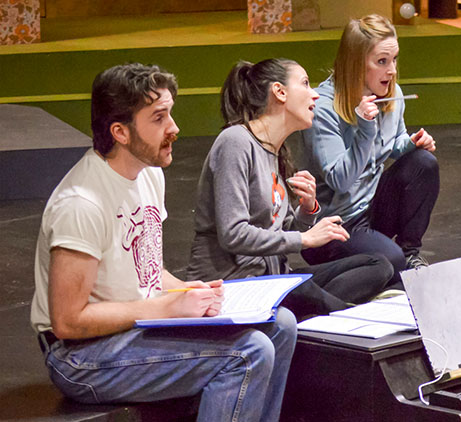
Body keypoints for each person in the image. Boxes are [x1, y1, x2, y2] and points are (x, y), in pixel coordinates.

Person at [31, 63, 296, 422]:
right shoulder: (82, 204)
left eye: (169, 113)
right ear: (120, 132)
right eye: (158, 118)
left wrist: (187, 290)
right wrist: (165, 309)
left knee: (281, 325)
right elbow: (68, 321)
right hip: (79, 358)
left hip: (133, 328)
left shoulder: (149, 174)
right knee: (247, 353)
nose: (174, 128)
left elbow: (147, 272)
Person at [186, 59, 393, 318]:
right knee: (308, 293)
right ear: (279, 92)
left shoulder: (276, 151)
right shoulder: (235, 142)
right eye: (305, 84)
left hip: (272, 277)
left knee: (378, 265)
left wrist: (307, 210)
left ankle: (320, 317)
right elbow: (233, 234)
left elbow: (280, 232)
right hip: (234, 282)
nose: (315, 93)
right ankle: (348, 318)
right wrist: (305, 239)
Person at [299, 14, 440, 283]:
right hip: (336, 224)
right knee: (391, 261)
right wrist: (364, 128)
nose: (392, 70)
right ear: (356, 64)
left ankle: (410, 252)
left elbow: (392, 143)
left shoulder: (391, 92)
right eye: (382, 62)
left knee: (423, 162)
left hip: (370, 207)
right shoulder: (324, 107)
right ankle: (379, 261)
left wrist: (410, 143)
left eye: (394, 59)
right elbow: (340, 181)